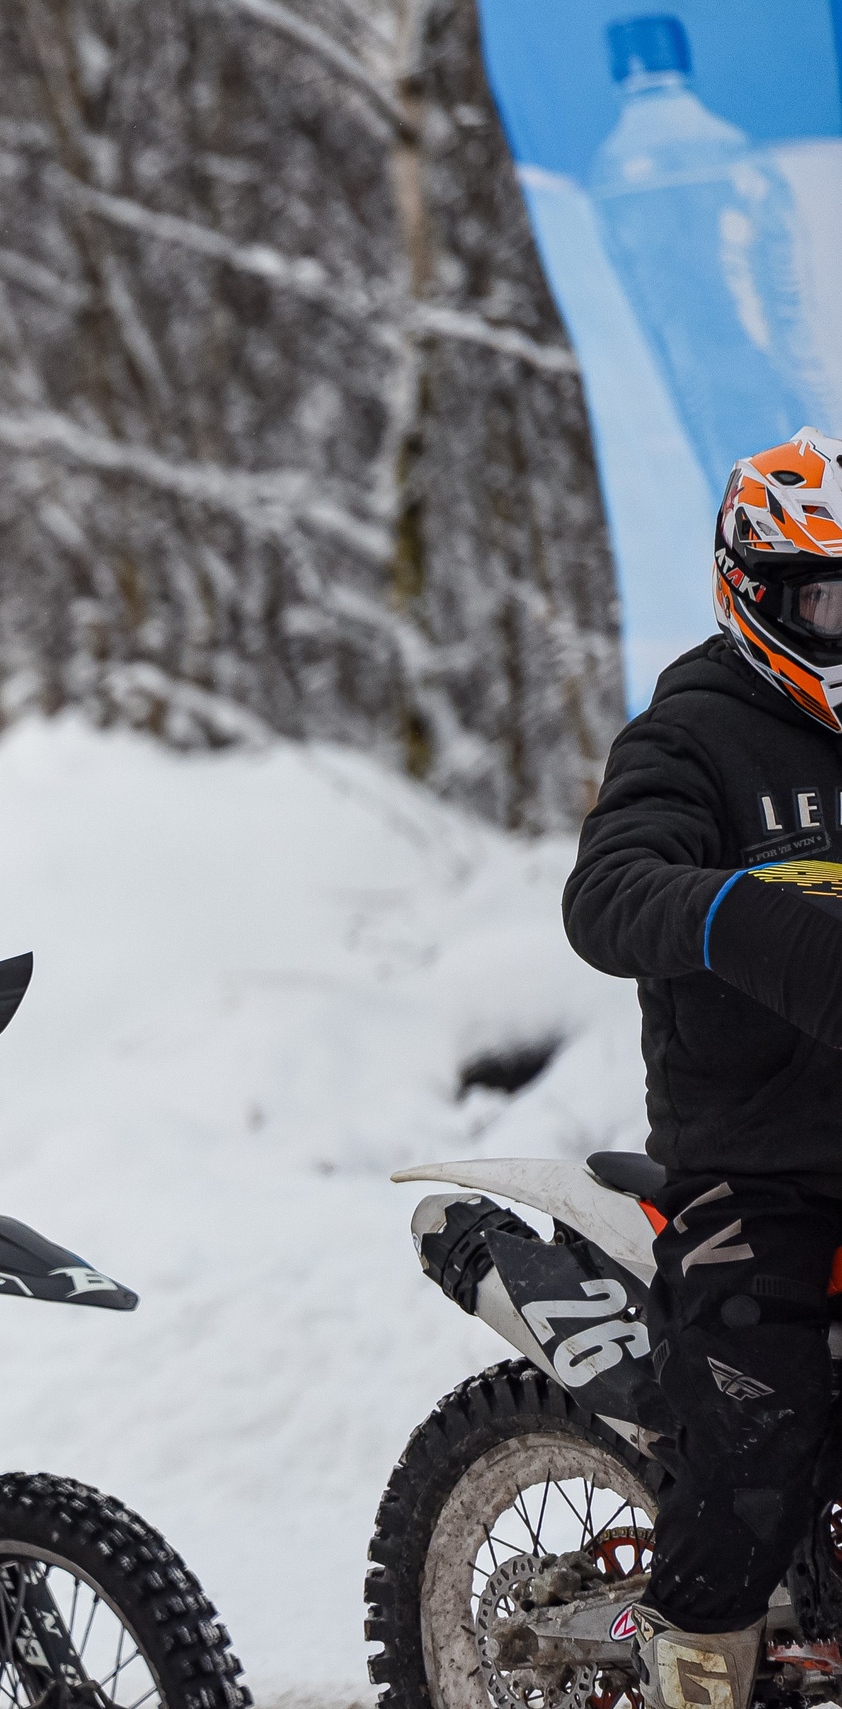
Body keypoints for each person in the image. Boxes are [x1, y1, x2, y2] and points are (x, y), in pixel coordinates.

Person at [564, 426, 842, 1709]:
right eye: (828, 601)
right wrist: (745, 916)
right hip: (756, 1167)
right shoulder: (691, 732)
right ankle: (694, 1668)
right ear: (757, 592)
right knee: (755, 1419)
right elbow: (607, 889)